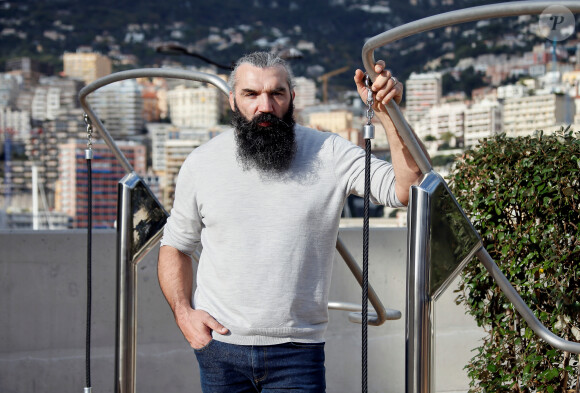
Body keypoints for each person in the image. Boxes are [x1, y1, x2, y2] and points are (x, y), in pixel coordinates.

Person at [158, 51, 428, 393]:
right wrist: (184, 313)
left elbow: (411, 186)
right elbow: (175, 246)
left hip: (297, 354)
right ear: (232, 100)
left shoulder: (330, 153)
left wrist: (388, 111)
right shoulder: (201, 163)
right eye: (251, 94)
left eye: (276, 93)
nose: (265, 106)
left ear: (292, 98)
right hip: (220, 351)